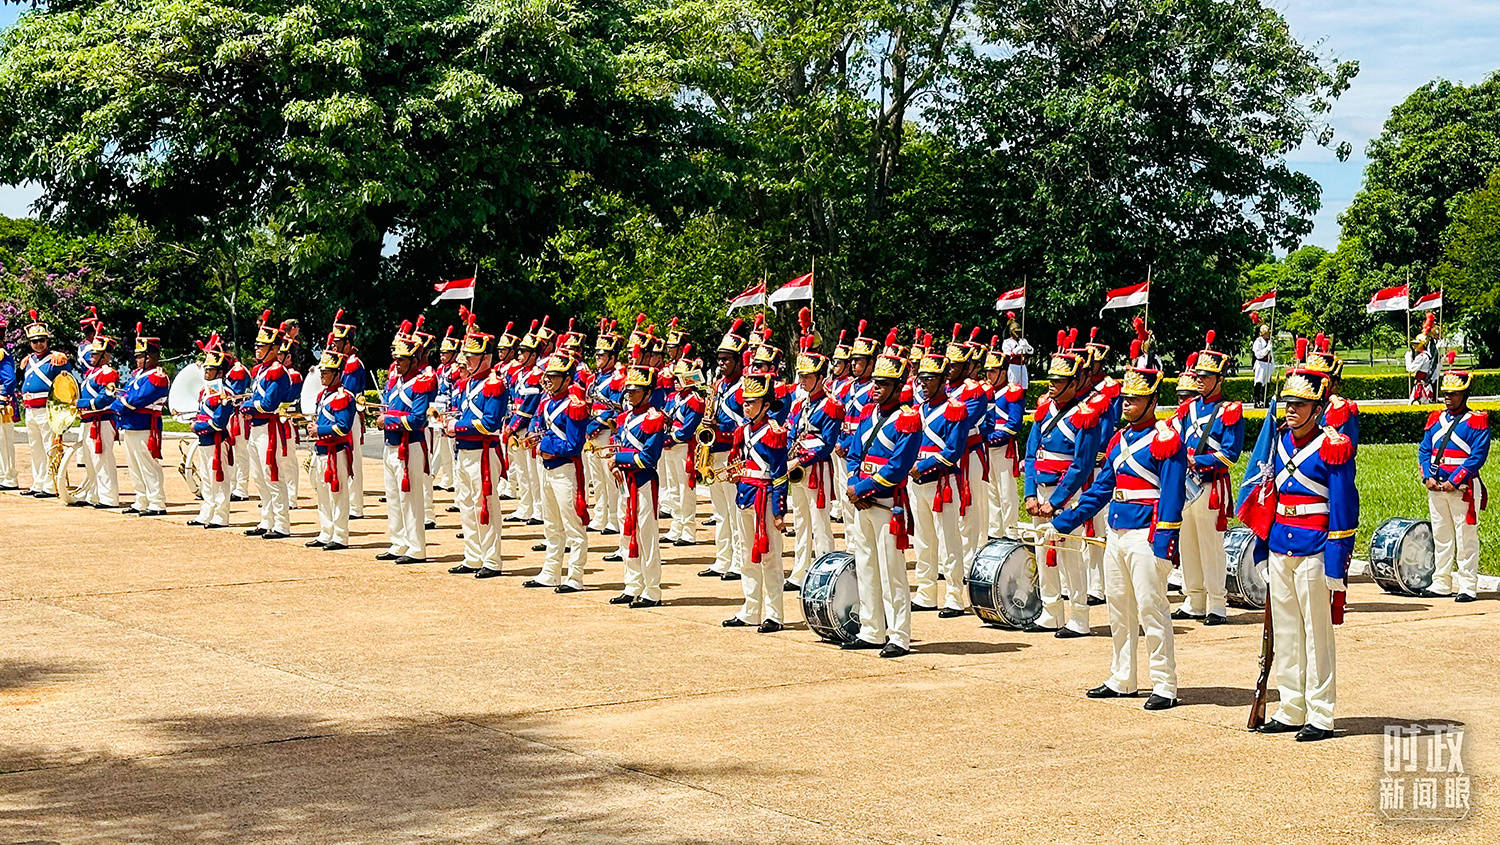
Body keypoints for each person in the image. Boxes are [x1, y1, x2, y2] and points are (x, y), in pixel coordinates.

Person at [1046, 367, 1185, 710]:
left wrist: (1165, 543)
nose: (1126, 404)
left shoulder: (1165, 440)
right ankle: (1123, 677)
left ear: (1153, 401)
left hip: (1146, 535)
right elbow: (1100, 491)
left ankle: (1164, 683)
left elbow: (1172, 495)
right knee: (1119, 611)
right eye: (1125, 398)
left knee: (1152, 610)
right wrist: (1065, 521)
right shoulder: (1119, 440)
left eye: (1135, 400)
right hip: (1118, 532)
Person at [1254, 368, 1356, 742]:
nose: (1290, 410)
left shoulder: (1334, 445)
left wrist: (1336, 561)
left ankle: (1321, 713)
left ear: (1318, 408)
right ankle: (1291, 706)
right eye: (1288, 403)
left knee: (1317, 634)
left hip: (1315, 545)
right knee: (1286, 630)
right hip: (1281, 542)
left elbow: (1344, 508)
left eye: (1300, 404)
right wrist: (1264, 545)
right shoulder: (1278, 441)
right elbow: (1268, 496)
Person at [842, 334, 922, 658]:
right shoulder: (867, 414)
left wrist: (860, 488)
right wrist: (852, 481)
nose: (875, 387)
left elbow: (897, 468)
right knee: (866, 566)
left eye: (882, 383)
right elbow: (853, 454)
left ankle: (899, 635)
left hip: (888, 505)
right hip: (862, 503)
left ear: (897, 385)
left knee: (892, 574)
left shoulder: (908, 418)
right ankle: (871, 629)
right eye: (874, 381)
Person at [1024, 347, 1104, 638]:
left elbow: (1082, 465)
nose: (1051, 384)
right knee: (1043, 551)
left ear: (1074, 383)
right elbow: (1031, 454)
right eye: (1051, 378)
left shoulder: (1086, 416)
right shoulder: (1044, 408)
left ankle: (1079, 616)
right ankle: (1051, 610)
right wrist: (1030, 493)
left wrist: (1057, 500)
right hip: (1041, 492)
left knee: (1071, 556)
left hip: (1066, 496)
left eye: (1059, 380)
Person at [1175, 334, 1243, 626]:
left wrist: (1197, 460)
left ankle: (1217, 603)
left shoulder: (1229, 410)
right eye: (1198, 376)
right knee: (1186, 542)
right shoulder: (1188, 408)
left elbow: (1231, 454)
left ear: (1219, 378)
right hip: (1185, 484)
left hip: (1210, 484)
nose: (1200, 380)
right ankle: (1194, 599)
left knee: (1211, 546)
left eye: (1206, 376)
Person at [723, 372, 790, 631]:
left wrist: (779, 511)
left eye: (752, 402)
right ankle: (750, 609)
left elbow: (780, 474)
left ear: (765, 404)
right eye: (745, 401)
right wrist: (733, 473)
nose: (746, 406)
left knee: (770, 558)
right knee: (746, 556)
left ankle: (774, 614)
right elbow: (739, 461)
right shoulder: (742, 431)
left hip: (766, 498)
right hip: (744, 495)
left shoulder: (775, 432)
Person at [908, 345, 971, 617]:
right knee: (922, 540)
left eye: (930, 379)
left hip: (941, 482)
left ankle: (955, 596)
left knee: (949, 540)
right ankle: (926, 592)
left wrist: (921, 466)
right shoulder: (915, 410)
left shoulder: (955, 410)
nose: (923, 384)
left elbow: (953, 452)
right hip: (915, 481)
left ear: (943, 380)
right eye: (921, 379)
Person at [1418, 369, 1490, 602]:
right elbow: (1425, 450)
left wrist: (1454, 480)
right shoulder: (1434, 419)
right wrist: (1428, 477)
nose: (1448, 397)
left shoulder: (1477, 422)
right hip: (1436, 487)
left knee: (1465, 537)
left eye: (1454, 394)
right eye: (1446, 393)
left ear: (1465, 394)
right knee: (1442, 536)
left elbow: (1477, 456)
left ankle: (1468, 585)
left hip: (1463, 489)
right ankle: (1441, 581)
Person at [524, 350, 591, 590]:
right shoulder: (547, 401)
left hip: (566, 469)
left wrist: (544, 444)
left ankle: (575, 577)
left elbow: (573, 444)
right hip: (547, 466)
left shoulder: (575, 404)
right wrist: (533, 433)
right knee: (551, 525)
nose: (549, 380)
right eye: (548, 376)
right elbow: (536, 422)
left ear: (567, 378)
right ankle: (550, 572)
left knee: (573, 525)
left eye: (554, 377)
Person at [447, 324, 509, 578]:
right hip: (465, 450)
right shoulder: (469, 384)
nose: (466, 361)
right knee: (466, 504)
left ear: (485, 358)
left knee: (486, 505)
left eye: (471, 357)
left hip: (483, 451)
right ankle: (473, 555)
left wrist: (456, 427)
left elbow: (489, 423)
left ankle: (491, 560)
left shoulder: (495, 385)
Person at [784, 334, 842, 590]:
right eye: (801, 377)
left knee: (820, 523)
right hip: (796, 469)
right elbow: (789, 432)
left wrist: (798, 458)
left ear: (821, 377)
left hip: (816, 469)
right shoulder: (798, 405)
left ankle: (825, 571)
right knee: (800, 522)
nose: (803, 381)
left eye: (808, 376)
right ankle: (799, 570)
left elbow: (826, 443)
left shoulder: (832, 405)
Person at [609, 359, 668, 607]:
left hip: (643, 481)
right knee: (626, 533)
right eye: (629, 391)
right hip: (625, 480)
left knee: (646, 535)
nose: (631, 395)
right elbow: (618, 442)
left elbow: (648, 458)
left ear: (648, 392)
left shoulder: (654, 418)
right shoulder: (623, 418)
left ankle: (652, 589)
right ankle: (632, 584)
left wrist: (618, 458)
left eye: (636, 391)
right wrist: (614, 463)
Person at [378, 323, 435, 563]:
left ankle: (416, 547)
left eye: (402, 359)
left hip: (409, 445)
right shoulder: (394, 383)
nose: (397, 363)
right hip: (391, 446)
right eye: (396, 359)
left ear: (413, 360)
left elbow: (417, 419)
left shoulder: (420, 383)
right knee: (393, 496)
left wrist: (388, 420)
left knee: (410, 499)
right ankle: (398, 541)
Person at [701, 319, 748, 580]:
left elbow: (748, 421)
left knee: (734, 510)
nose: (722, 364)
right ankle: (722, 559)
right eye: (719, 359)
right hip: (714, 450)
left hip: (733, 451)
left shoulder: (746, 386)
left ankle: (739, 562)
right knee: (719, 511)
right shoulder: (717, 386)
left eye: (727, 359)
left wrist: (721, 424)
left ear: (739, 360)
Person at [243, 315, 296, 539]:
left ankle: (282, 524)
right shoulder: (260, 371)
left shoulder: (277, 371)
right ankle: (267, 519)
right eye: (257, 346)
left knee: (273, 476)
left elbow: (268, 404)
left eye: (262, 346)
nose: (257, 350)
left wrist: (247, 405)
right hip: (256, 427)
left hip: (269, 427)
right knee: (258, 476)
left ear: (274, 349)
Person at [110, 325, 169, 516]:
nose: (136, 359)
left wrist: (117, 405)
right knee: (134, 465)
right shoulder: (138, 375)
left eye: (140, 356)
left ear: (150, 357)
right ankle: (141, 499)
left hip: (145, 425)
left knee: (147, 464)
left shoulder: (157, 377)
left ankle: (157, 502)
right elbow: (128, 394)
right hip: (131, 424)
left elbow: (137, 399)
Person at [305, 349, 357, 550]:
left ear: (337, 374)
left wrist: (320, 430)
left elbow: (343, 427)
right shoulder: (322, 395)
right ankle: (326, 532)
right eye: (322, 372)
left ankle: (340, 536)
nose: (322, 375)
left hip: (336, 451)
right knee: (323, 495)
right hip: (322, 450)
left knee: (338, 495)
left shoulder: (343, 397)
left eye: (327, 372)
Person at [17, 311, 70, 497]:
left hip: (47, 409)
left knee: (50, 447)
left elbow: (66, 383)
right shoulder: (29, 360)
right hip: (30, 410)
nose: (38, 344)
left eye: (42, 340)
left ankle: (50, 484)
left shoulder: (56, 359)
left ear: (47, 341)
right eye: (34, 341)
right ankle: (38, 483)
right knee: (35, 447)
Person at [188, 337, 235, 529]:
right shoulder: (204, 392)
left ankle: (221, 515)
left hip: (216, 439)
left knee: (219, 478)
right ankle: (206, 512)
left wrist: (196, 427)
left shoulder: (225, 391)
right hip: (204, 440)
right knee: (207, 478)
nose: (206, 373)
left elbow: (219, 422)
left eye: (210, 369)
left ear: (220, 372)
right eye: (205, 369)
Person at [328, 309, 370, 518]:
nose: (334, 344)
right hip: (337, 413)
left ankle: (356, 506)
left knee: (353, 458)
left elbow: (347, 392)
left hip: (349, 414)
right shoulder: (339, 361)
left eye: (338, 341)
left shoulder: (352, 363)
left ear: (348, 343)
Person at [983, 338, 1026, 539]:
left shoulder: (1013, 391)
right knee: (990, 490)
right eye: (987, 371)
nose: (989, 375)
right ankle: (995, 530)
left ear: (1003, 371)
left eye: (993, 371)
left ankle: (1011, 531)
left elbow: (1014, 424)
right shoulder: (984, 391)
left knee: (1006, 491)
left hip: (1003, 446)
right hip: (986, 446)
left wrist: (992, 437)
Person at [74, 330, 121, 509]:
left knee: (103, 460)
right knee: (90, 460)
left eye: (95, 353)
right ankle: (94, 495)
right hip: (89, 421)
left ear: (105, 355)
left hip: (100, 420)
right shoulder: (91, 373)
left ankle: (108, 497)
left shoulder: (108, 373)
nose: (91, 356)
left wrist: (80, 403)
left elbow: (105, 398)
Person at [664, 351, 706, 547]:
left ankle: (688, 531)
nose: (675, 382)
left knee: (684, 490)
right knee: (673, 488)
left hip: (683, 448)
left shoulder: (695, 400)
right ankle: (676, 526)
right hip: (670, 447)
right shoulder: (673, 398)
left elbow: (688, 427)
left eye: (679, 378)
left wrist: (670, 437)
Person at [504, 325, 545, 526]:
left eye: (525, 351)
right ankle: (525, 505)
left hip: (527, 426)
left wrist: (513, 425)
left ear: (534, 355)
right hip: (515, 423)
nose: (520, 354)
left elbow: (530, 405)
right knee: (521, 469)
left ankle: (538, 508)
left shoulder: (537, 374)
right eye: (519, 351)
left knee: (532, 472)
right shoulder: (519, 373)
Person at [0, 317, 15, 491]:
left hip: (2, 402)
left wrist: (2, 395)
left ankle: (8, 477)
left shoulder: (2, 354)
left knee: (3, 441)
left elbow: (9, 379)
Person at [1001, 313, 1032, 390]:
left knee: (1024, 385)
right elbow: (1008, 355)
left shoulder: (1023, 340)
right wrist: (1017, 349)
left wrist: (1027, 347)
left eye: (1019, 331)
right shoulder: (1007, 342)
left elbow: (1030, 351)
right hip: (1014, 366)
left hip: (1023, 365)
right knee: (1013, 386)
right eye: (1016, 331)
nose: (1018, 333)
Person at [1405, 334, 1435, 404]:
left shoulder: (1422, 356)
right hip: (1425, 384)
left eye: (1416, 344)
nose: (1414, 346)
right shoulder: (1427, 355)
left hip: (1420, 386)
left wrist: (1408, 358)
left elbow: (1410, 369)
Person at [1251, 324, 1275, 408]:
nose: (1268, 334)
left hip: (1267, 364)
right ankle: (1256, 401)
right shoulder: (1258, 341)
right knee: (1259, 382)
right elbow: (1258, 354)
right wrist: (1266, 349)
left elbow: (1271, 354)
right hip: (1260, 364)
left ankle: (1264, 400)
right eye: (1267, 333)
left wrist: (1272, 364)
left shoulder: (1269, 341)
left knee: (1266, 382)